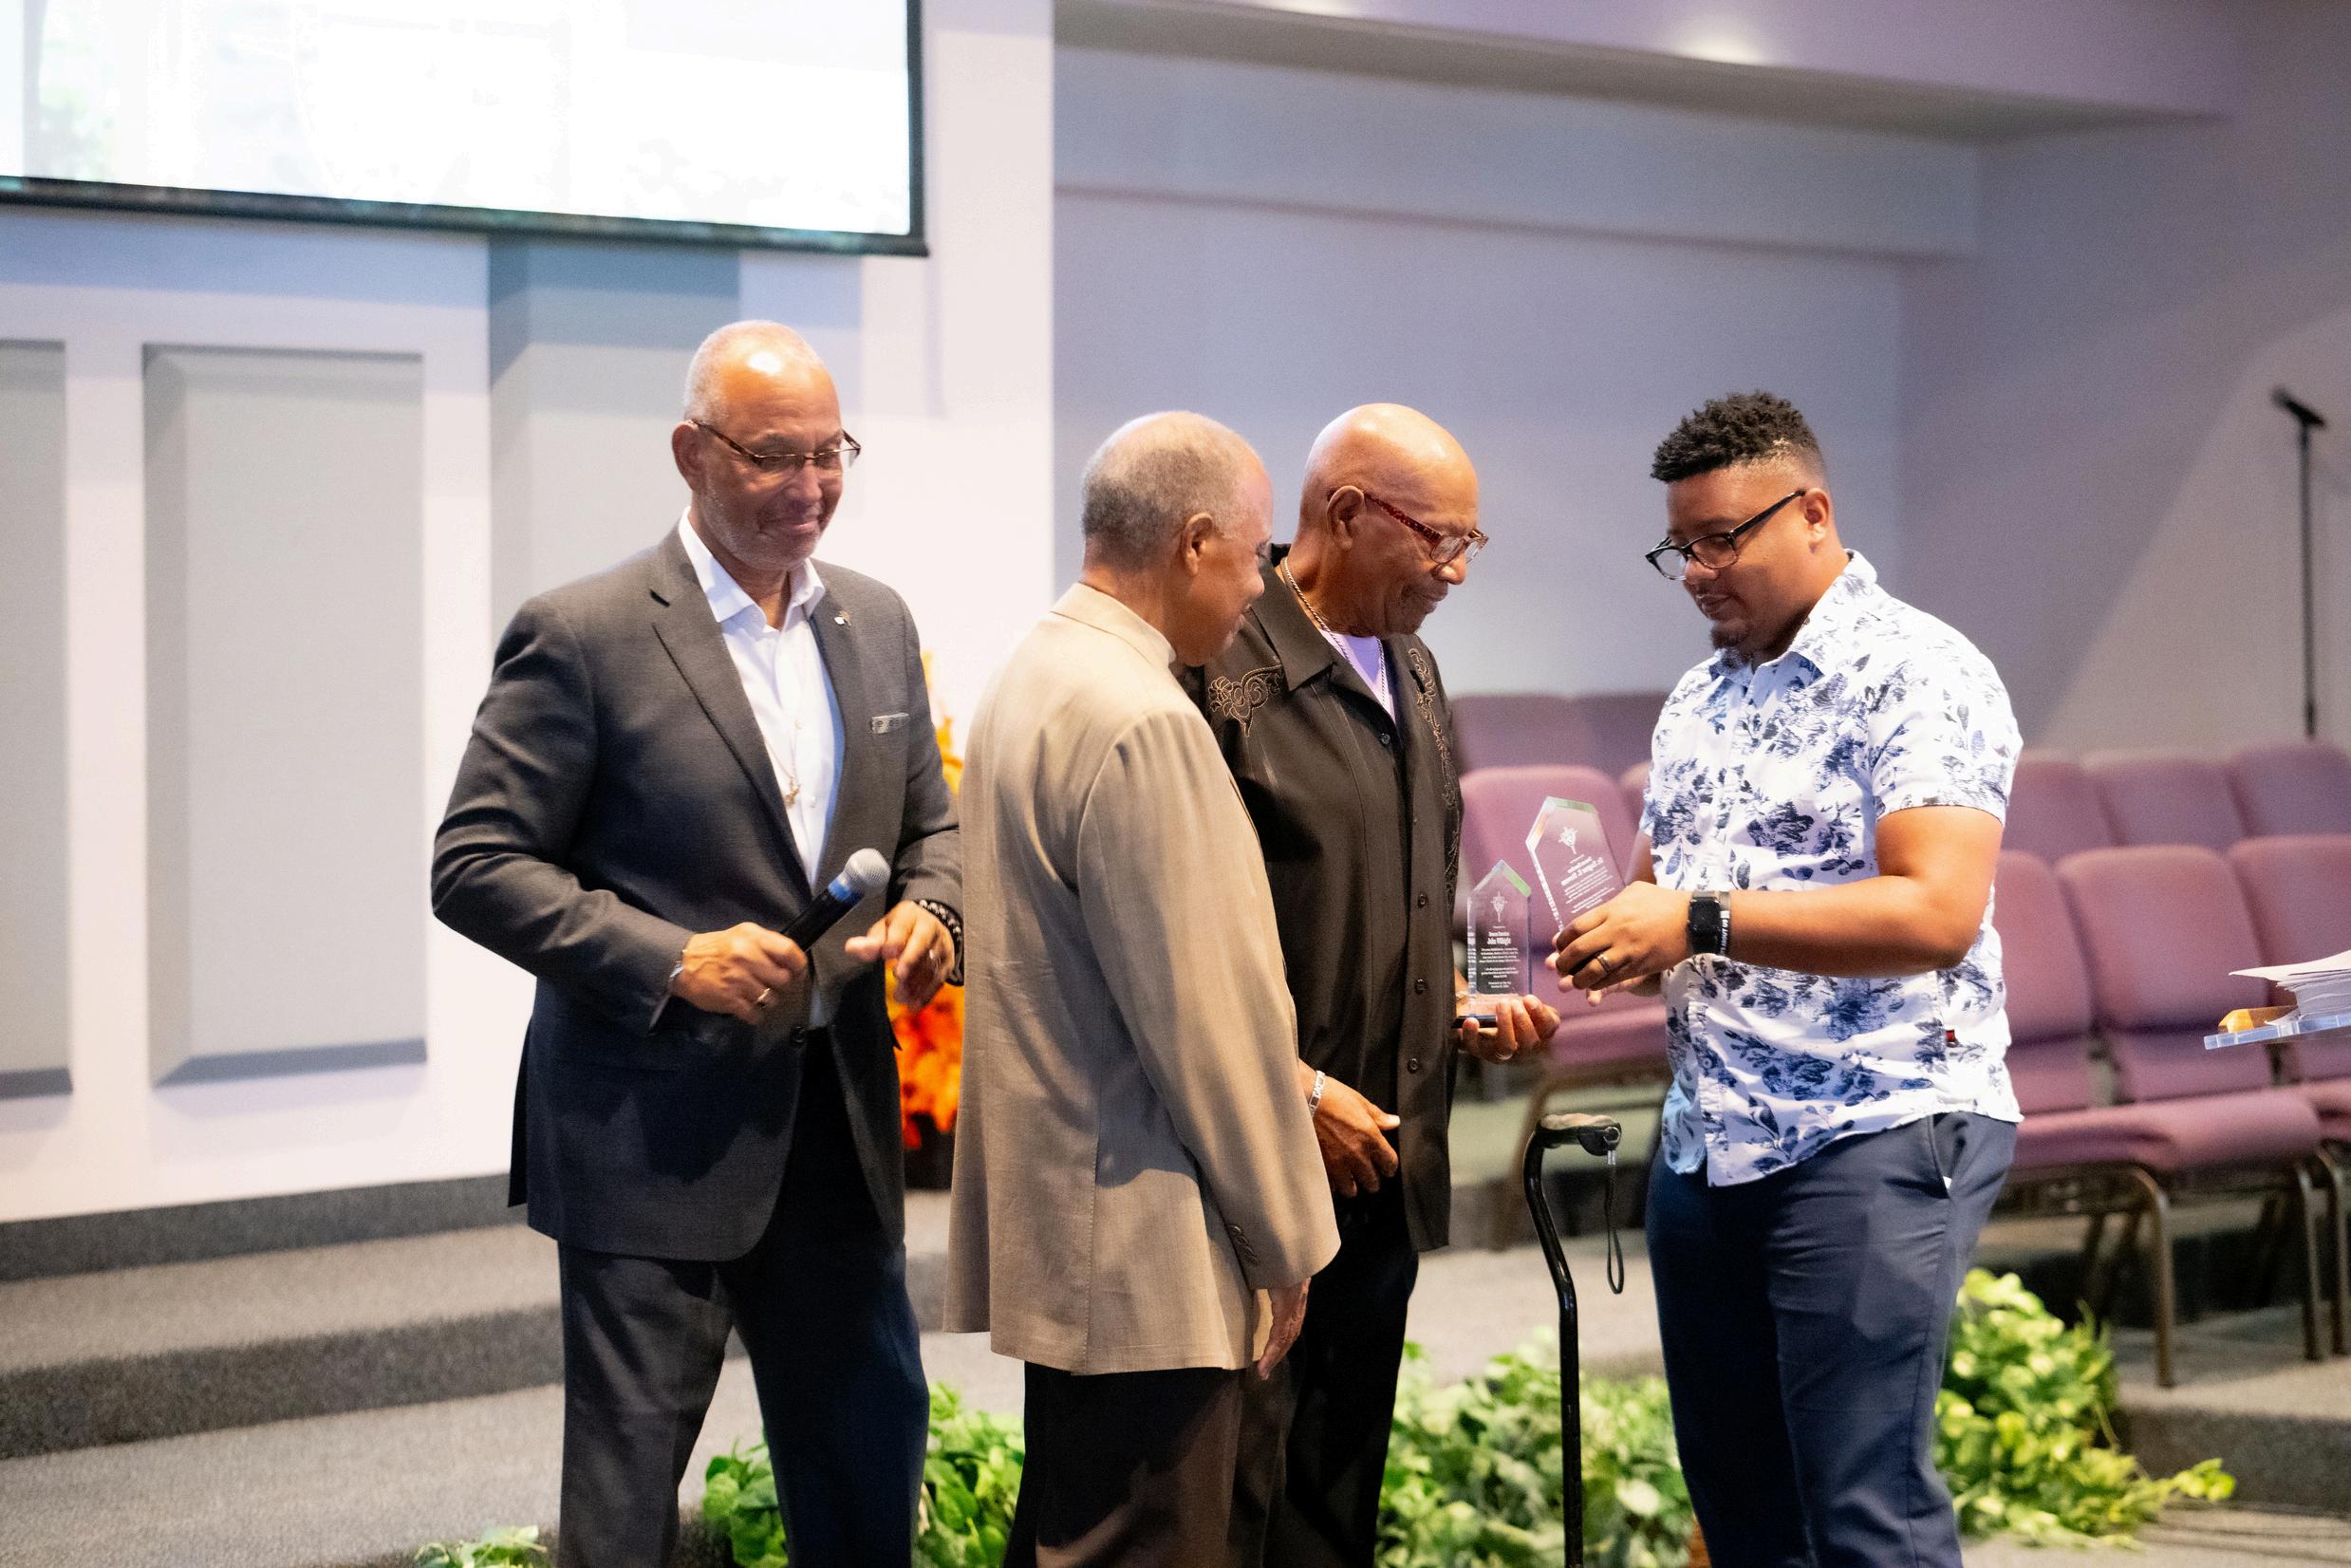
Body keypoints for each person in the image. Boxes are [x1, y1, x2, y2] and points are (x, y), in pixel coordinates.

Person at [432, 320, 961, 1568]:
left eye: (830, 452)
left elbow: (934, 828)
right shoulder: (583, 632)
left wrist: (935, 914)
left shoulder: (876, 620)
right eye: (776, 455)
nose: (811, 485)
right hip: (647, 1140)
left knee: (865, 1478)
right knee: (624, 1513)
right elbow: (476, 865)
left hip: (838, 1130)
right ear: (691, 452)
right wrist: (673, 958)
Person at [1555, 391, 2021, 1568]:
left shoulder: (1916, 670)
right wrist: (1606, 939)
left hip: (1873, 1124)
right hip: (1708, 1143)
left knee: (1861, 1511)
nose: (1694, 571)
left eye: (1721, 538)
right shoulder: (1698, 697)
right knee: (1740, 1511)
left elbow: (1932, 910)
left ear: (1811, 511)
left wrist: (1693, 918)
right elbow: (1664, 902)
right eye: (1678, 547)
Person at [944, 411, 1340, 1568]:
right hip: (1146, 1251)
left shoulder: (1033, 671)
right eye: (1256, 557)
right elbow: (1209, 1026)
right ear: (1194, 539)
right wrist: (1287, 1237)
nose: (1259, 588)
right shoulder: (1144, 717)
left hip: (1071, 1230)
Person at [1186, 403, 1558, 1567]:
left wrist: (1451, 995)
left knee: (1331, 1496)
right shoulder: (1220, 664)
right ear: (1344, 513)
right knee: (1226, 1495)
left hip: (1381, 1156)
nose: (1455, 569)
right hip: (1253, 1157)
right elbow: (1178, 933)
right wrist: (1289, 1088)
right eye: (1436, 537)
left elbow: (1403, 884)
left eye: (1468, 542)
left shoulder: (1416, 667)